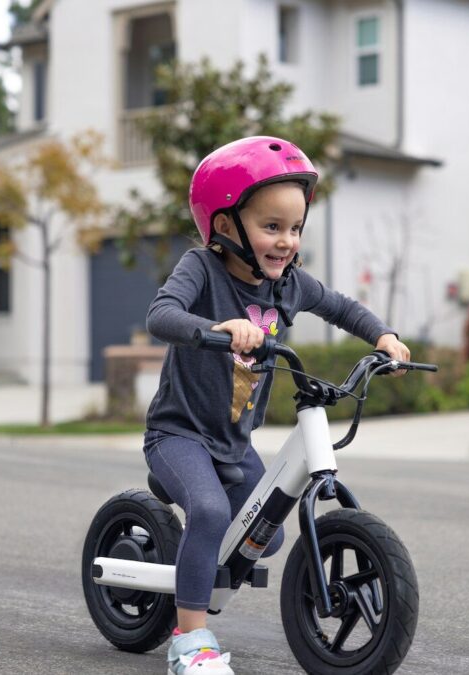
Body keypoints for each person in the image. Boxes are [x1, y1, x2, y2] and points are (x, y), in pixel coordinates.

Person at [143, 135, 410, 675]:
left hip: (233, 444)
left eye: (294, 228)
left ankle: (195, 560)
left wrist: (382, 336)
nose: (286, 241)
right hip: (179, 436)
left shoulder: (288, 285)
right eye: (271, 227)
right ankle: (189, 641)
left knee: (267, 533)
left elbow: (339, 306)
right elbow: (161, 316)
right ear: (224, 226)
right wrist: (215, 328)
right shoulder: (202, 268)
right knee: (215, 513)